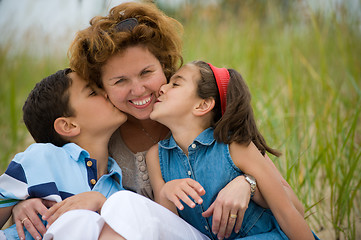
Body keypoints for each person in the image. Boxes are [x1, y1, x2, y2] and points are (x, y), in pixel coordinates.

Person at [11, 2, 304, 240]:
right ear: (102, 87)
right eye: (120, 80)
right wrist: (22, 202)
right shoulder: (102, 136)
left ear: (164, 67)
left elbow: (293, 206)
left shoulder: (197, 118)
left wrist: (246, 183)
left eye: (146, 73)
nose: (138, 90)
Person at [146, 61, 320, 240]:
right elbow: (170, 230)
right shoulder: (156, 157)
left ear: (203, 105)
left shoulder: (234, 146)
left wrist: (248, 184)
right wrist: (166, 191)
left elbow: (287, 212)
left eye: (175, 84)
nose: (162, 88)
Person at [0, 69, 127, 239]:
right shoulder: (42, 158)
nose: (107, 93)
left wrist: (103, 204)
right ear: (69, 126)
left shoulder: (117, 184)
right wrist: (17, 204)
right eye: (92, 92)